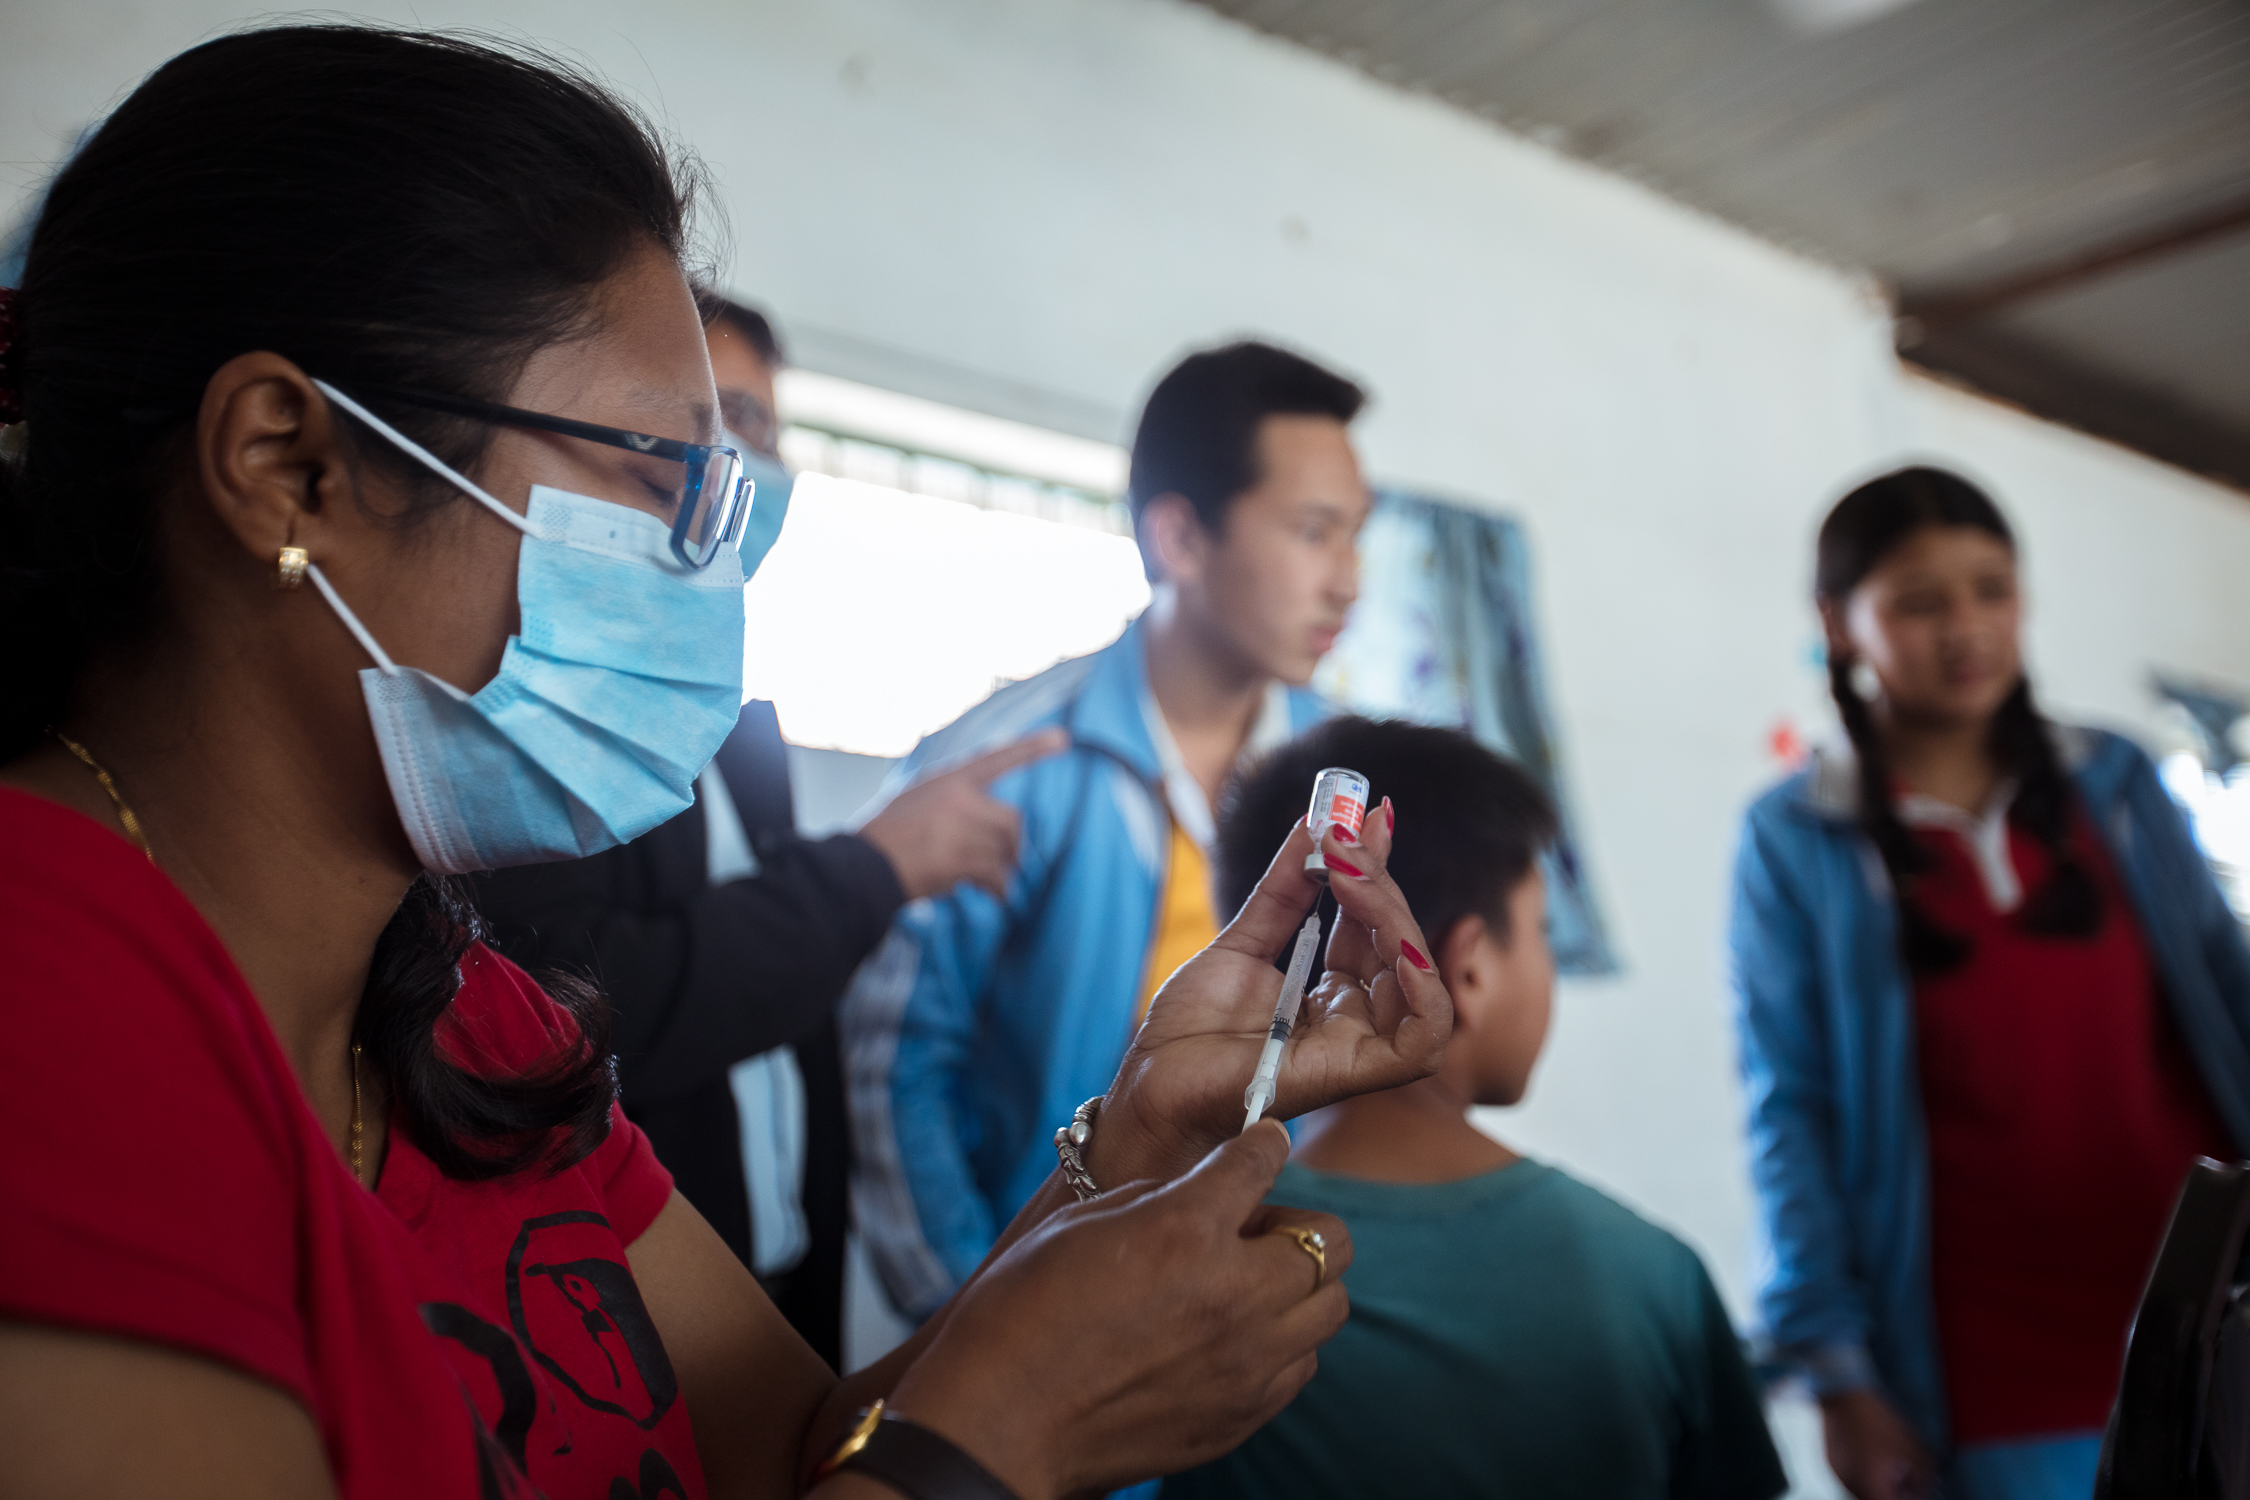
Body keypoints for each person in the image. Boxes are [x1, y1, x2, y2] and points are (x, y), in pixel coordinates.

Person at [0, 26, 1461, 1499]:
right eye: (656, 481)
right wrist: (1005, 1455)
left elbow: (787, 1449)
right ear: (289, 467)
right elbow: (929, 1446)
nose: (709, 572)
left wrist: (1136, 1139)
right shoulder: (40, 987)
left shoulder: (465, 1025)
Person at [468, 294, 1063, 1368]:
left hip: (779, 1294)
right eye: (718, 420)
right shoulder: (541, 702)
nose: (752, 464)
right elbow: (594, 1003)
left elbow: (770, 992)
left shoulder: (737, 722)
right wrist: (872, 869)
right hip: (621, 1317)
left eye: (766, 434)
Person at [1729, 466, 2250, 1500]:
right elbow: (1789, 1108)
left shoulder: (2119, 783)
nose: (1966, 627)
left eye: (1991, 590)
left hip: (2207, 1322)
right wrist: (1837, 1373)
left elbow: (2231, 1005)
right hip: (1982, 1373)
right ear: (1839, 622)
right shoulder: (1797, 836)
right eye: (1920, 602)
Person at [848, 340, 1371, 1318]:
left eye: (1357, 534)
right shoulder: (1011, 768)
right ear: (1180, 538)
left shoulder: (1341, 784)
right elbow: (895, 1066)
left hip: (1261, 1313)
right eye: (1314, 531)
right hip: (1041, 1313)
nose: (1350, 581)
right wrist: (974, 1325)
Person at [1163, 716, 1788, 1500]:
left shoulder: (1182, 1269)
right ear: (1470, 971)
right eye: (1541, 932)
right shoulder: (1650, 1280)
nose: (1549, 963)